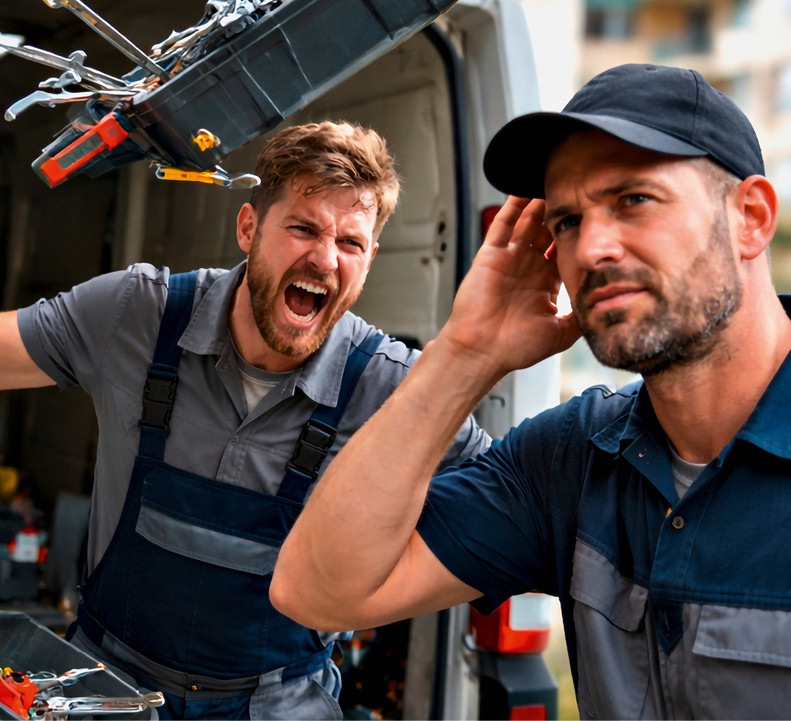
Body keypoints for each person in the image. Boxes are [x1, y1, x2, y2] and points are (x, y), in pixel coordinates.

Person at [270, 64, 791, 719]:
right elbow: (315, 590)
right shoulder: (570, 459)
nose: (592, 247)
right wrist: (467, 352)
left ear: (749, 217)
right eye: (567, 220)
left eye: (633, 199)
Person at [0, 120, 490, 720]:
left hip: (277, 703)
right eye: (304, 228)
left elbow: (511, 500)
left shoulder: (395, 388)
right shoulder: (137, 314)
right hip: (107, 686)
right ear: (249, 227)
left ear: (369, 260)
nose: (325, 258)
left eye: (351, 243)